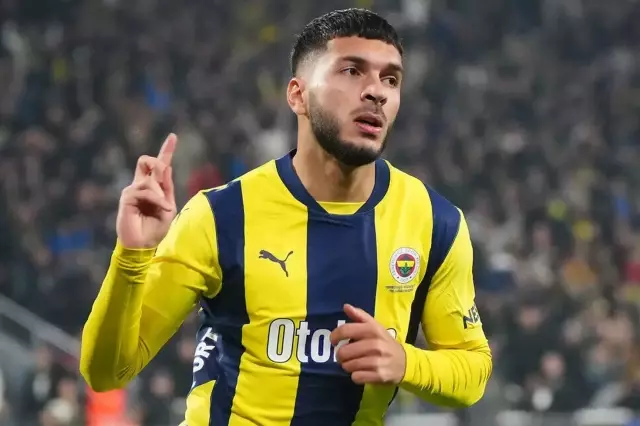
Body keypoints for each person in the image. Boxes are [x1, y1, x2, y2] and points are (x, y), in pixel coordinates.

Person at [80, 8, 492, 426]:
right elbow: (106, 372)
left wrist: (406, 362)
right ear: (298, 95)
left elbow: (473, 370)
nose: (376, 92)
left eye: (391, 79)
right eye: (352, 71)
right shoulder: (221, 215)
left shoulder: (435, 223)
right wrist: (132, 255)